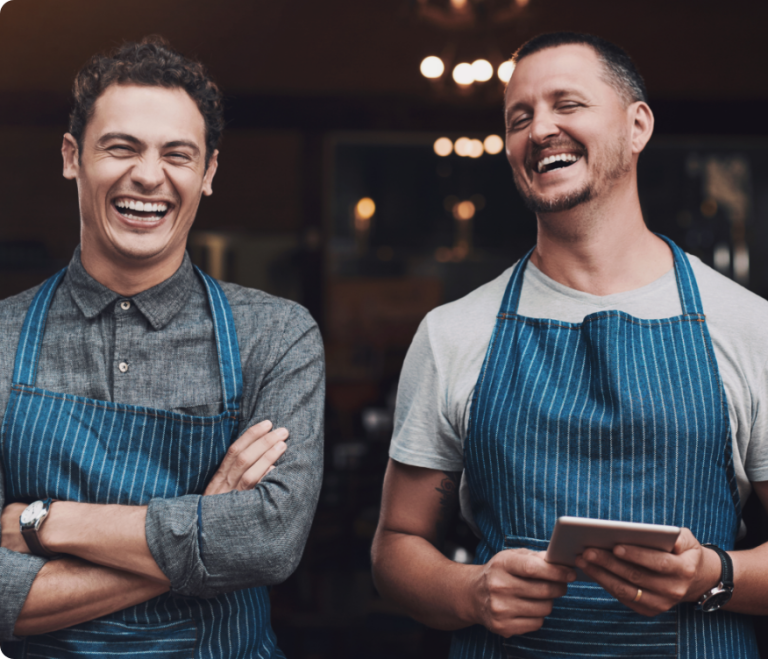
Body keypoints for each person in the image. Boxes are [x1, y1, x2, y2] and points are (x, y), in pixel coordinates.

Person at [372, 31, 768, 657]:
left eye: (567, 104)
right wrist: (471, 591)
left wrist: (713, 576)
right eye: (520, 117)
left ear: (637, 125)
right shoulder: (452, 333)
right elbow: (396, 546)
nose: (540, 129)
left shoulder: (748, 327)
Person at [0, 37, 324, 658]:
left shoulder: (278, 336)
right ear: (72, 157)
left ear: (207, 175)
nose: (149, 175)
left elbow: (270, 542)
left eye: (178, 155)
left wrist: (45, 522)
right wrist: (206, 529)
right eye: (121, 147)